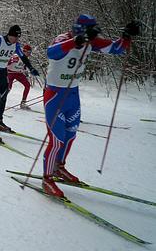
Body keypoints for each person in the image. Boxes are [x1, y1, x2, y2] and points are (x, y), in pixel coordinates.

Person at [41, 15, 139, 197]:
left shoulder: (91, 43)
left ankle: (58, 167)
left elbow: (116, 48)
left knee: (70, 134)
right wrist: (76, 41)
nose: (94, 36)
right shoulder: (63, 39)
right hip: (55, 95)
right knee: (57, 139)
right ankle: (47, 178)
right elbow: (52, 52)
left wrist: (126, 36)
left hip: (72, 95)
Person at [0, 25, 39, 142]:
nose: (16, 40)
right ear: (9, 34)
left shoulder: (16, 45)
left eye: (18, 37)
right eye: (15, 37)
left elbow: (23, 57)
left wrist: (31, 68)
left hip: (3, 73)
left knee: (4, 98)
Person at [7, 44, 33, 109]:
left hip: (18, 73)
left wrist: (25, 73)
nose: (29, 54)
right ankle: (0, 100)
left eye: (30, 53)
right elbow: (6, 62)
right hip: (10, 73)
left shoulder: (26, 59)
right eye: (28, 52)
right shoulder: (16, 57)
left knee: (27, 85)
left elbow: (23, 67)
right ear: (24, 51)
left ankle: (23, 103)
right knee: (8, 88)